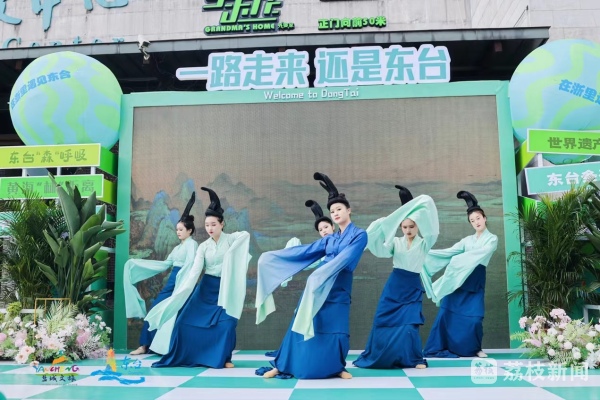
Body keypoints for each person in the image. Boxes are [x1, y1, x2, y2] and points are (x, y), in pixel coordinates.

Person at [255, 172, 368, 379]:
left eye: (339, 209)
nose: (335, 213)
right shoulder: (330, 239)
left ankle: (338, 367)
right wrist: (272, 257)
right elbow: (305, 251)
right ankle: (283, 365)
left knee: (336, 327)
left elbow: (345, 259)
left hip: (338, 285)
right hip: (318, 286)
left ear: (348, 210)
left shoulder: (360, 234)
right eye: (332, 211)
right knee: (304, 320)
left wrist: (319, 275)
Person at [146, 187, 251, 368]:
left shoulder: (232, 239)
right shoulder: (203, 247)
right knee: (183, 323)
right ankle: (193, 356)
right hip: (206, 289)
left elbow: (245, 236)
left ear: (222, 224)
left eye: (214, 224)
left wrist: (231, 257)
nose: (210, 228)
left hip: (225, 288)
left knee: (227, 324)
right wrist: (182, 293)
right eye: (207, 225)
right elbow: (195, 272)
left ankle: (225, 358)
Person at [354, 185, 439, 369]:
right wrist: (382, 224)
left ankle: (414, 358)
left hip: (412, 286)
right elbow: (380, 250)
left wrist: (413, 206)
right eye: (404, 226)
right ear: (400, 227)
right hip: (395, 286)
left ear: (418, 226)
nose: (408, 230)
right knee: (382, 320)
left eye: (411, 226)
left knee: (409, 325)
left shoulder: (425, 243)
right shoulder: (395, 242)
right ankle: (378, 355)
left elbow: (431, 222)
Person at [422, 191, 498, 358]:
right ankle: (441, 346)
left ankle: (475, 348)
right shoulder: (467, 241)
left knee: (475, 318)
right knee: (446, 314)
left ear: (484, 218)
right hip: (457, 281)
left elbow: (479, 254)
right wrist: (426, 253)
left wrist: (457, 261)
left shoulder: (492, 239)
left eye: (478, 218)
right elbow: (448, 252)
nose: (476, 222)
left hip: (475, 280)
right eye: (472, 220)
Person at [123, 193, 198, 355]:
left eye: (181, 230)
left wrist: (182, 286)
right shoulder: (178, 248)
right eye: (177, 229)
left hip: (184, 283)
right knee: (155, 310)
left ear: (190, 230)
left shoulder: (192, 245)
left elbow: (191, 266)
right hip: (173, 281)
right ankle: (145, 345)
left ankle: (174, 348)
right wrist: (137, 264)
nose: (178, 232)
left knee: (180, 316)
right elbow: (166, 264)